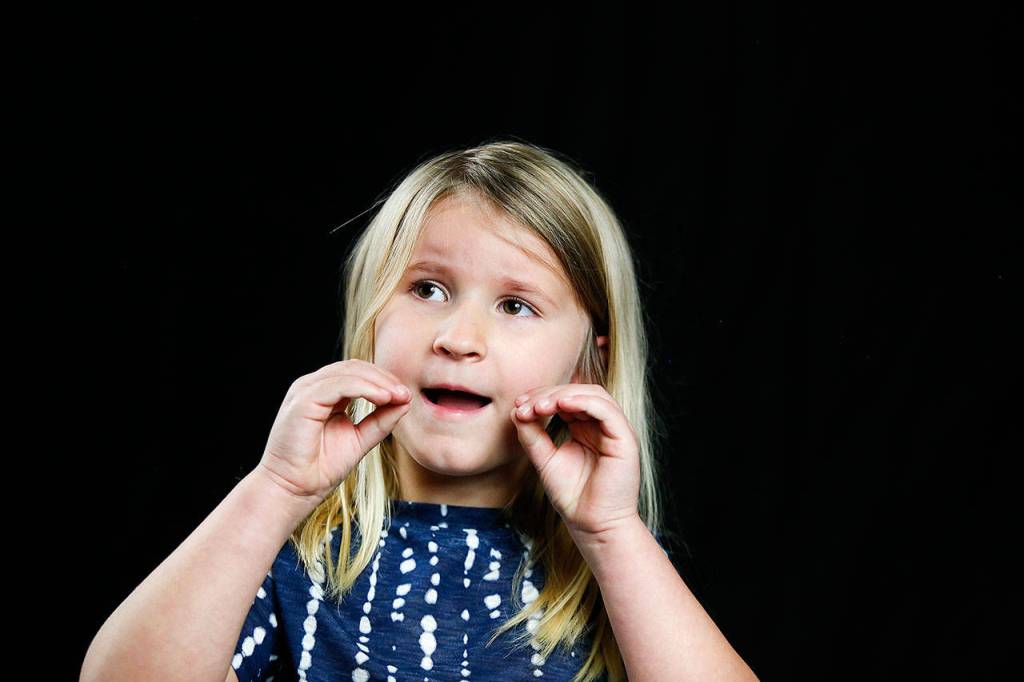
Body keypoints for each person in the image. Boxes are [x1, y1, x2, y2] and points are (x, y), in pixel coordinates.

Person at [80, 139, 757, 682]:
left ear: (587, 361)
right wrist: (276, 489)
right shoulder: (289, 557)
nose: (458, 339)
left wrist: (613, 534)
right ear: (371, 317)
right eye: (428, 288)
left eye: (516, 306)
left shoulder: (611, 571)